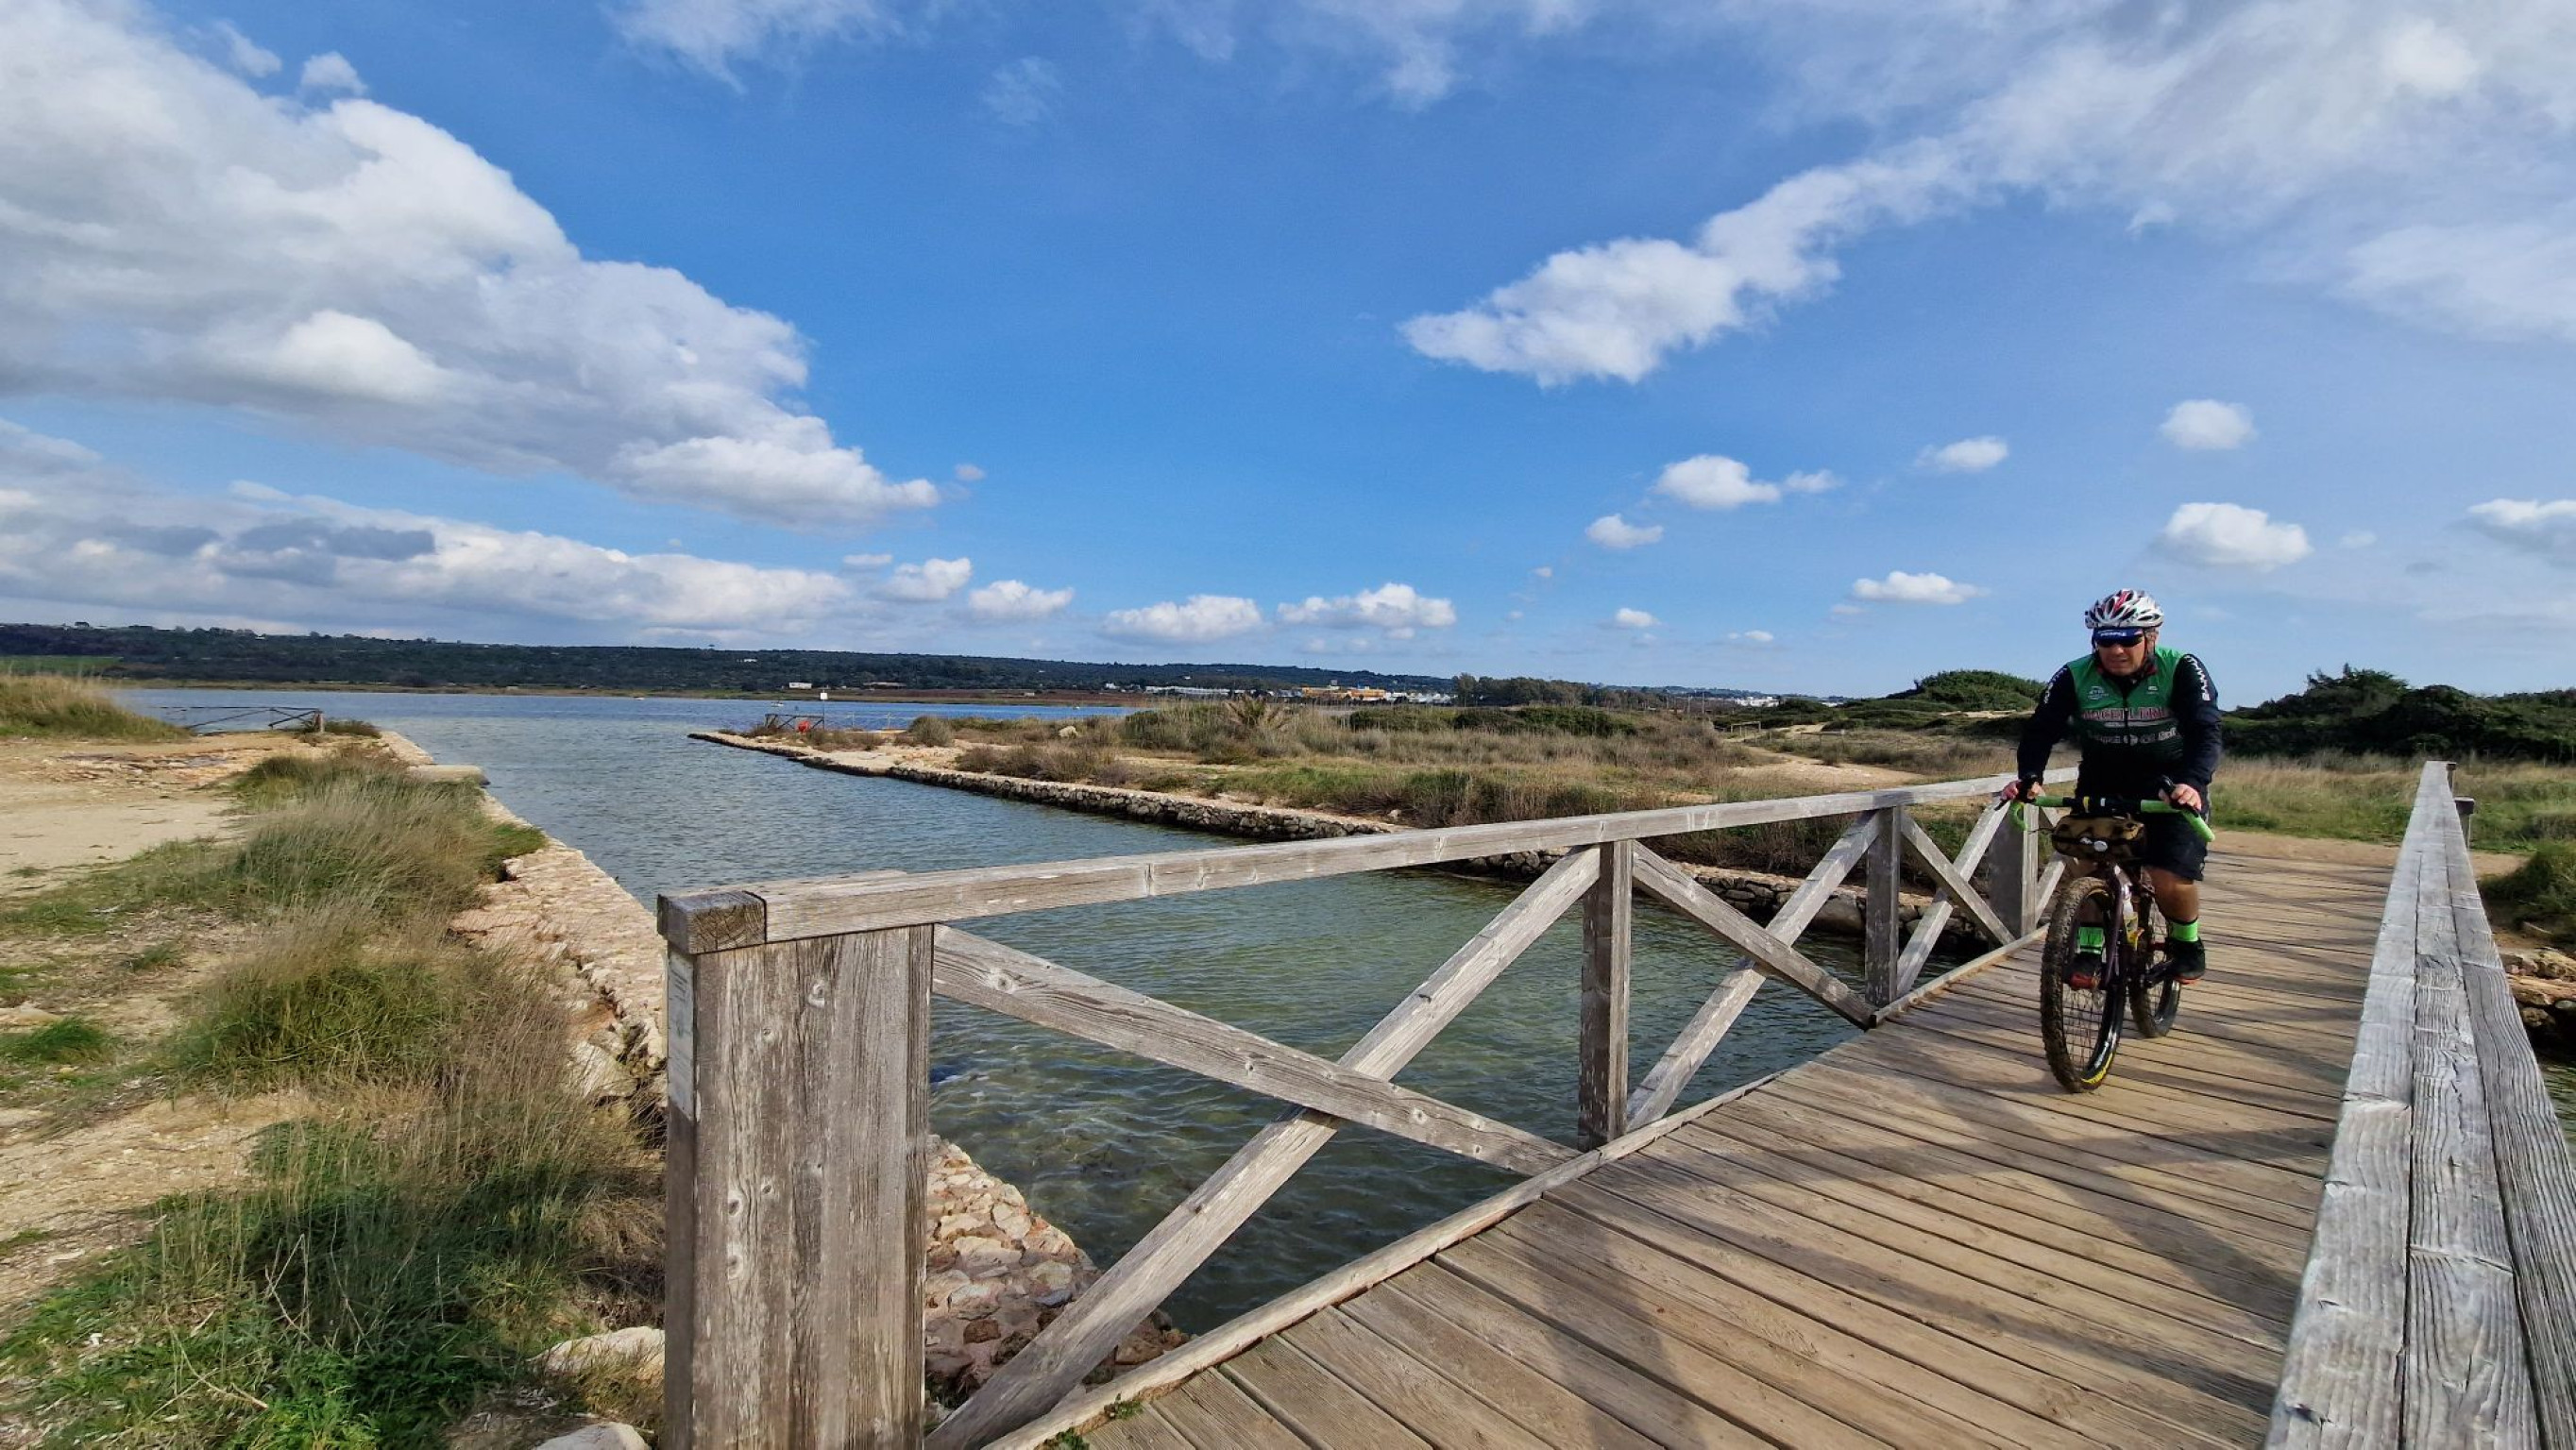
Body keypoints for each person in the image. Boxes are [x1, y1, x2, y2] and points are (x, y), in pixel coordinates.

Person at [1999, 589, 2220, 985]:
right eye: (2105, 640)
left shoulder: (2182, 668)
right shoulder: (2074, 674)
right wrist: (2030, 777)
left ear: (2152, 636)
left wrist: (2192, 783)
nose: (2116, 650)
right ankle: (2089, 948)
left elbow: (2205, 731)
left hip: (2169, 780)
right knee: (2090, 865)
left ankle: (2188, 943)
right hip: (2103, 775)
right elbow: (2040, 731)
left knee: (2168, 873)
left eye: (2129, 639)